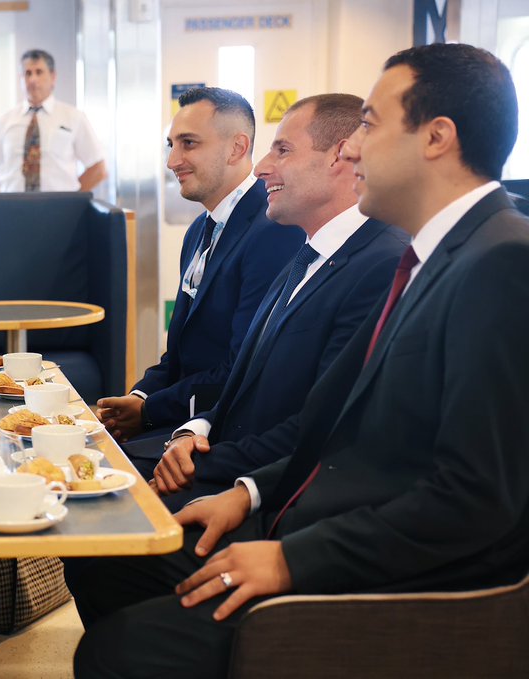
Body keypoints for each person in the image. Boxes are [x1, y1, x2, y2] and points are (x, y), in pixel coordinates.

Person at [65, 43, 529, 678]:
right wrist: (250, 491)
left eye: (369, 123)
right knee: (108, 559)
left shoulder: (501, 262)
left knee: (117, 650)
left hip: (393, 580)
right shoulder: (435, 256)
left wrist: (292, 560)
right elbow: (347, 431)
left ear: (436, 138)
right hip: (299, 516)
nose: (355, 148)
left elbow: (473, 498)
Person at [145, 94, 408, 510]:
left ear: (341, 156)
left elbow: (326, 425)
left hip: (275, 493)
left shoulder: (383, 263)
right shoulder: (308, 251)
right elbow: (242, 385)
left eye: (282, 149)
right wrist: (195, 431)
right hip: (224, 456)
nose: (263, 166)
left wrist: (221, 476)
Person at [98, 87, 302, 462]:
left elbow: (242, 365)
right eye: (171, 144)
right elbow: (180, 350)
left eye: (188, 143)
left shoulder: (272, 229)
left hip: (220, 429)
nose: (173, 160)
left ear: (237, 148)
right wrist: (139, 396)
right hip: (179, 413)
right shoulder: (199, 231)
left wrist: (150, 412)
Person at [0, 49, 106, 193]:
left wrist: (72, 201)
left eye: (39, 72)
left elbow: (98, 169)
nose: (32, 80)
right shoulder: (4, 121)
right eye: (27, 73)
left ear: (53, 77)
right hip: (13, 209)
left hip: (58, 211)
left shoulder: (74, 118)